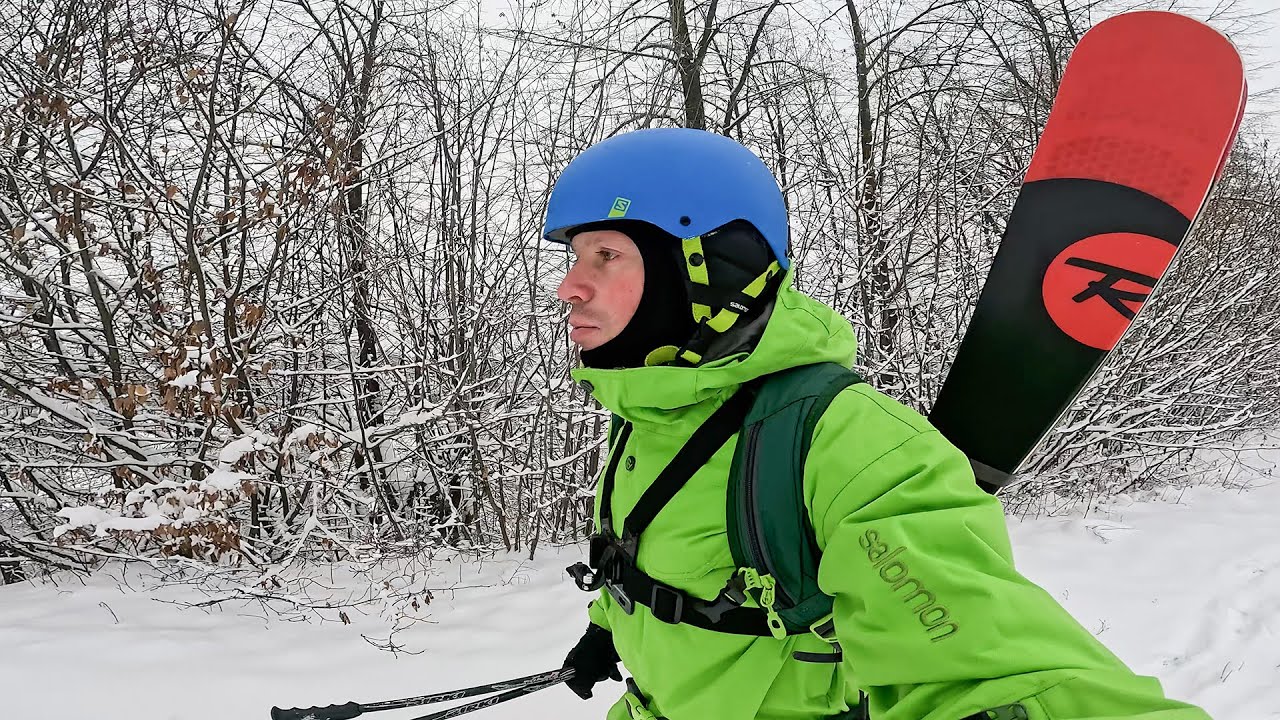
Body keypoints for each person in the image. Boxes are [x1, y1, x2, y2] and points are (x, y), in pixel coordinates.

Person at [545, 128, 1208, 720]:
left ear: (711, 269)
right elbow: (657, 556)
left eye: (606, 255)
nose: (569, 286)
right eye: (574, 258)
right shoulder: (649, 415)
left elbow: (989, 666)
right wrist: (610, 625)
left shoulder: (846, 440)